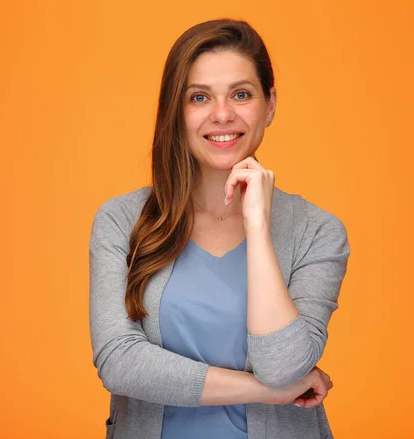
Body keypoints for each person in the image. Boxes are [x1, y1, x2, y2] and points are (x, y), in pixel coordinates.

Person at [89, 18, 350, 439]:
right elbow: (120, 362)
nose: (222, 114)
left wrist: (259, 227)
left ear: (270, 105)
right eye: (199, 97)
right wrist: (263, 391)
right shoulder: (122, 221)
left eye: (241, 94)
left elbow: (284, 365)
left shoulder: (317, 232)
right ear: (177, 110)